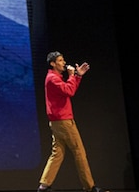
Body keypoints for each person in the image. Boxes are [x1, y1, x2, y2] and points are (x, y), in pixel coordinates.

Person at [36, 52, 109, 192]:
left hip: (58, 121)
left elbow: (70, 89)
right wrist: (72, 76)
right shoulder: (52, 78)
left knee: (57, 153)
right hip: (63, 121)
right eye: (60, 60)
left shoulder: (55, 78)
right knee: (79, 152)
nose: (64, 62)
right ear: (52, 63)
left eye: (63, 60)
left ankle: (44, 186)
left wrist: (78, 76)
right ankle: (89, 187)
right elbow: (70, 91)